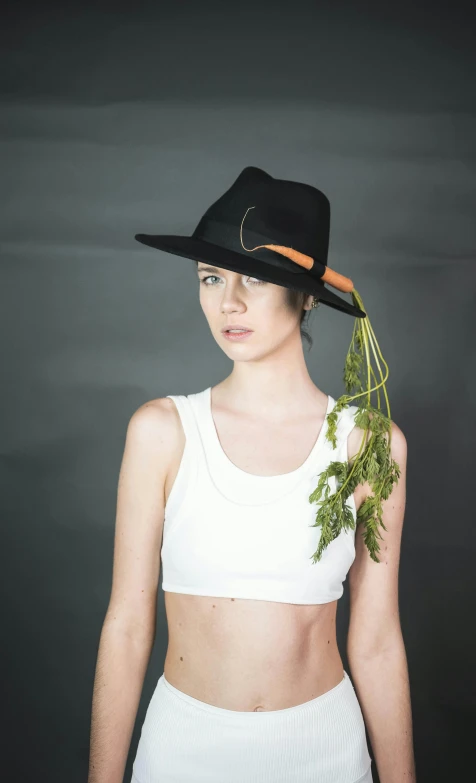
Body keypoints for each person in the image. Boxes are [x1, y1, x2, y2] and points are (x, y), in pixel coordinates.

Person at [88, 167, 414, 783]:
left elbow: (375, 642)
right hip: (184, 748)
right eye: (211, 277)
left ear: (308, 294)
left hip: (325, 750)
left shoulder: (368, 447)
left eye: (255, 279)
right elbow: (128, 626)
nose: (228, 302)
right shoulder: (162, 432)